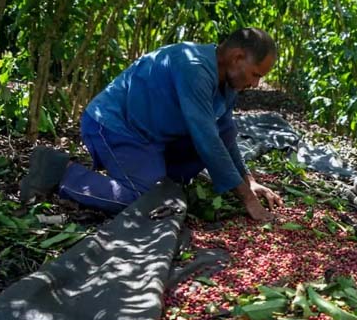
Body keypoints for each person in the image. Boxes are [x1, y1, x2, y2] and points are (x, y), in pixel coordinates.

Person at [20, 27, 283, 221]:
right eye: (256, 74)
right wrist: (247, 200)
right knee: (145, 199)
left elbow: (225, 133)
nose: (256, 84)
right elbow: (206, 137)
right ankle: (60, 171)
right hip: (113, 126)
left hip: (153, 136)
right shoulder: (194, 68)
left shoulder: (228, 82)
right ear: (237, 57)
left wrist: (249, 182)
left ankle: (150, 174)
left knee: (180, 176)